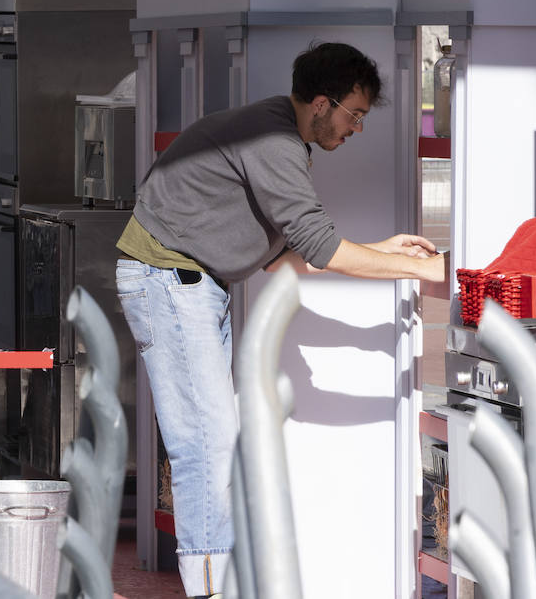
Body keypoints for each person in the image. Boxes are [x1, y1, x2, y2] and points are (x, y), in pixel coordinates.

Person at [114, 41, 445, 598]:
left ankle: (216, 580)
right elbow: (316, 248)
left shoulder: (278, 132)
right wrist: (425, 272)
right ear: (321, 102)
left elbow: (288, 257)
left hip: (189, 283)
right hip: (169, 280)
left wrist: (382, 249)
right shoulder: (274, 140)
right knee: (207, 443)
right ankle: (211, 589)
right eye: (354, 114)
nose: (357, 127)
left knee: (215, 439)